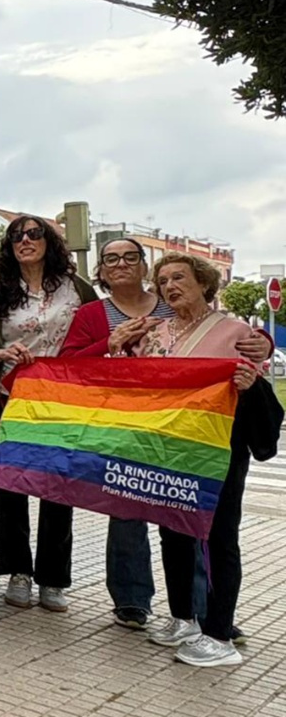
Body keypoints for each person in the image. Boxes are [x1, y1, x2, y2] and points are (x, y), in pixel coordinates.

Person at [60, 237, 270, 631]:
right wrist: (111, 344)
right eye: (110, 259)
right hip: (146, 437)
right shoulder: (122, 322)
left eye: (130, 257)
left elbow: (245, 355)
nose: (171, 286)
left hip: (209, 443)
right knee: (151, 522)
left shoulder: (197, 319)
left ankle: (213, 619)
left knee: (207, 529)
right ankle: (155, 608)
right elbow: (82, 366)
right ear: (101, 269)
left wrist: (263, 343)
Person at [124, 253, 261, 668]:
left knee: (219, 535)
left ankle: (219, 634)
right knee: (173, 530)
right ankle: (183, 617)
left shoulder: (236, 331)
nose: (170, 286)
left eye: (179, 277)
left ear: (203, 283)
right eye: (163, 280)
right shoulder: (156, 332)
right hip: (168, 445)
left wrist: (249, 383)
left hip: (220, 445)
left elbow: (253, 384)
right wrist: (121, 348)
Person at [0, 215, 97, 612]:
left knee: (58, 487)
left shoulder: (77, 288)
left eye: (33, 233)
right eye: (16, 236)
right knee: (12, 484)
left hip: (64, 399)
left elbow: (98, 337)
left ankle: (53, 579)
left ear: (51, 241)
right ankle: (18, 572)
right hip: (13, 396)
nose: (24, 240)